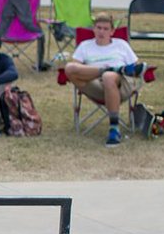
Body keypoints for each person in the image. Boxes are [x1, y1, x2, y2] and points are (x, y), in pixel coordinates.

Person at [63, 13, 147, 148]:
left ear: (112, 31)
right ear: (93, 29)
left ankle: (114, 128)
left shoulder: (121, 45)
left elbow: (138, 68)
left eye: (106, 29)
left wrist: (111, 74)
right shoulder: (85, 46)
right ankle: (116, 69)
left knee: (108, 76)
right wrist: (101, 71)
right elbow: (75, 68)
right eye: (99, 28)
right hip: (95, 84)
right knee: (69, 67)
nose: (101, 31)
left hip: (121, 85)